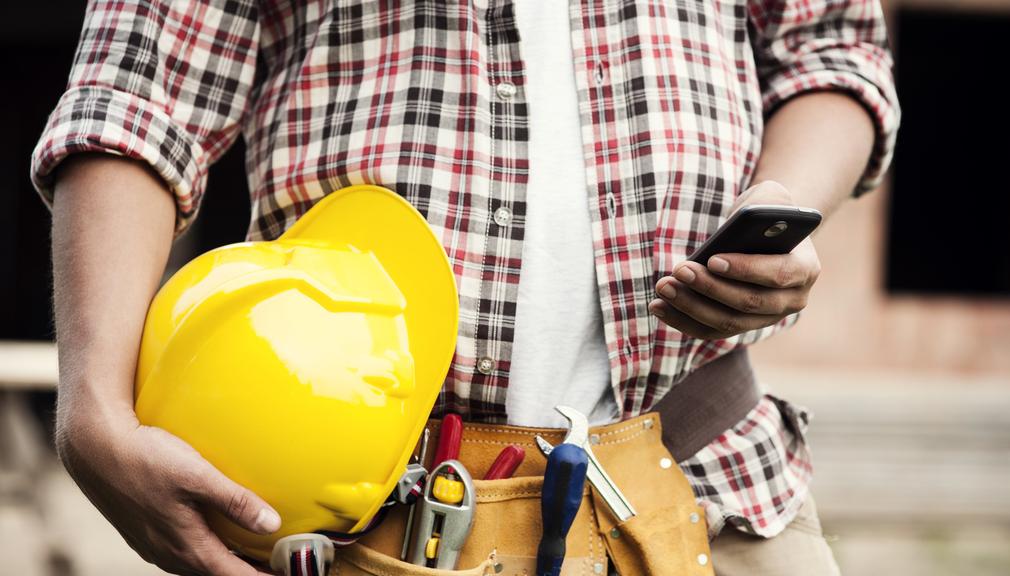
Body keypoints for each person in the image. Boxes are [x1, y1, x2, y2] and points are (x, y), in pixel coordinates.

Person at [32, 1, 898, 575]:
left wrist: (787, 200)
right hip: (361, 519)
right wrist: (94, 411)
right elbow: (140, 93)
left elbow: (830, 48)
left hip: (712, 488)